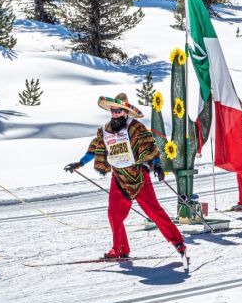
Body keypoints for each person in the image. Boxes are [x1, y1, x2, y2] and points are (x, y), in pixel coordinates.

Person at [64, 93, 187, 259]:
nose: (115, 115)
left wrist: (157, 164)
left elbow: (149, 146)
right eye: (113, 111)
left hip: (139, 176)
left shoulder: (136, 128)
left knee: (154, 212)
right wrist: (80, 163)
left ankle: (178, 243)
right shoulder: (105, 130)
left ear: (126, 112)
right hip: (119, 178)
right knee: (114, 215)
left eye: (119, 112)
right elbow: (96, 148)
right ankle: (120, 249)